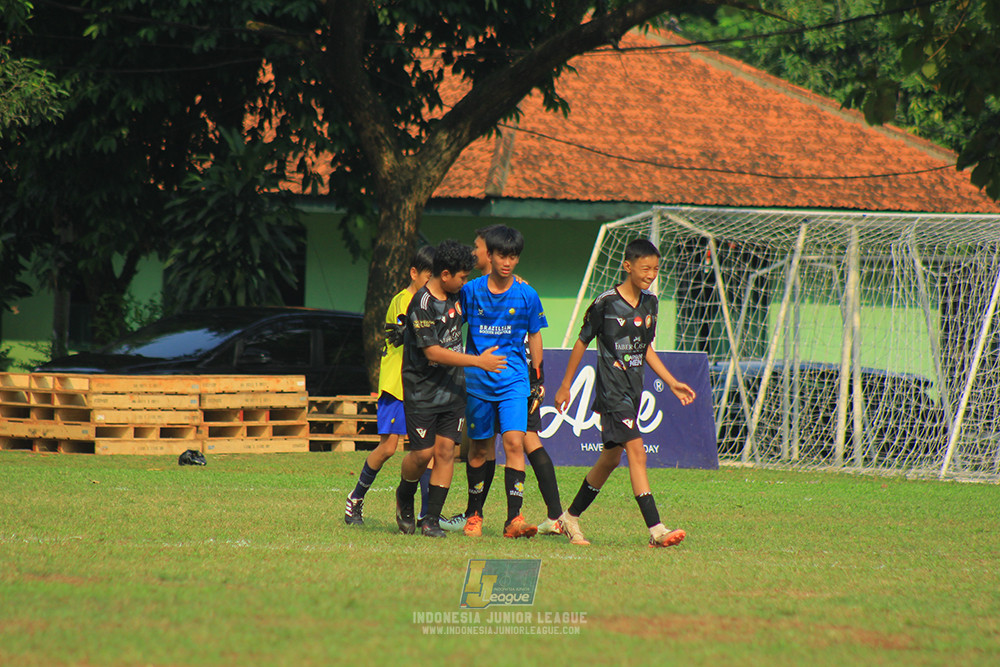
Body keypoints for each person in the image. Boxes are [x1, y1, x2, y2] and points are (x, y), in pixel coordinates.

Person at [553, 238, 696, 548]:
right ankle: (657, 530)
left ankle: (570, 517)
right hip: (612, 392)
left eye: (656, 269)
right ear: (628, 266)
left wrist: (671, 382)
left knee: (609, 459)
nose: (651, 274)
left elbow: (644, 349)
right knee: (637, 452)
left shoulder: (651, 303)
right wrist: (565, 385)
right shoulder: (605, 302)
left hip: (633, 392)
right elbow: (582, 341)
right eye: (645, 268)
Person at [442, 225, 564, 535]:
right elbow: (453, 323)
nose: (507, 263)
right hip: (478, 383)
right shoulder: (471, 291)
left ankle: (514, 518)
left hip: (514, 381)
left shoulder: (527, 294)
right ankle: (475, 515)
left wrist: (538, 378)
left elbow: (535, 334)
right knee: (480, 450)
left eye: (513, 257)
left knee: (514, 443)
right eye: (501, 256)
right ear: (490, 256)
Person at [395, 239, 506, 537]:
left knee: (445, 451)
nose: (465, 282)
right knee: (422, 454)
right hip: (421, 390)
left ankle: (431, 519)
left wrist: (514, 278)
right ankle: (405, 495)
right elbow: (432, 352)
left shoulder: (459, 294)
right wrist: (478, 362)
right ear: (445, 275)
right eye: (462, 276)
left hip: (453, 388)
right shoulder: (421, 304)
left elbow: (489, 283)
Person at [345, 245, 435, 526]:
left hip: (420, 387)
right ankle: (355, 499)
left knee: (426, 451)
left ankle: (426, 514)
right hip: (397, 386)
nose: (430, 284)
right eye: (427, 277)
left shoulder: (429, 301)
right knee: (388, 448)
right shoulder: (404, 300)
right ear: (414, 273)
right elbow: (413, 335)